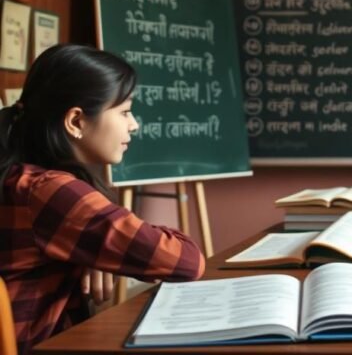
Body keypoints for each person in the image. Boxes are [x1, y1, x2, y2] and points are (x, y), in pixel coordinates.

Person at [0, 45, 205, 354]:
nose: (133, 124)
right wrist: (96, 248)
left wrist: (90, 250)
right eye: (124, 111)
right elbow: (187, 260)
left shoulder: (19, 176)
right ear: (76, 122)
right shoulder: (49, 191)